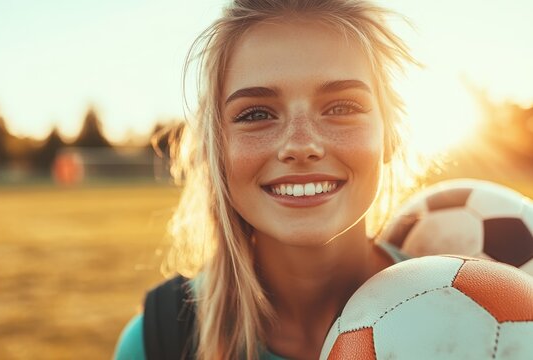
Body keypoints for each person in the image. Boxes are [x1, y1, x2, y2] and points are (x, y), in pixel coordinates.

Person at [115, 0, 417, 358]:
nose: (301, 145)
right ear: (216, 152)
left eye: (342, 107)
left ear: (391, 135)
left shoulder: (469, 313)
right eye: (256, 114)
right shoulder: (159, 342)